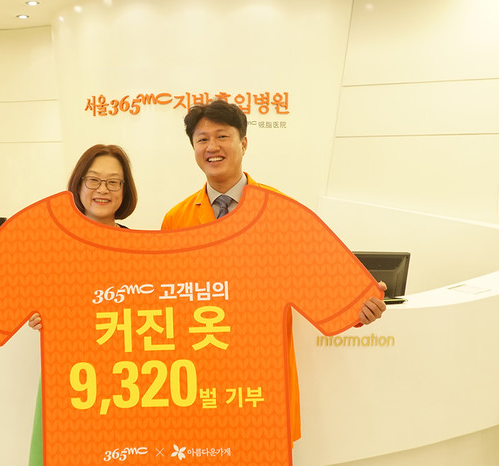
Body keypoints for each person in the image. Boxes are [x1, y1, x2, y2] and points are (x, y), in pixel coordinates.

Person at [160, 98, 387, 444]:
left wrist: (361, 306)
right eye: (202, 139)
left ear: (244, 143)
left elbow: (320, 280)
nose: (212, 147)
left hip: (261, 369)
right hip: (200, 369)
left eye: (222, 136)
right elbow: (166, 299)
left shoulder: (280, 210)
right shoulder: (176, 220)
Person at [27, 143, 138, 466]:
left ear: (124, 190)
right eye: (93, 180)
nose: (103, 190)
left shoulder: (140, 248)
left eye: (113, 182)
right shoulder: (54, 244)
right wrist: (36, 315)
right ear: (78, 185)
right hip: (68, 375)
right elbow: (35, 299)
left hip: (125, 379)